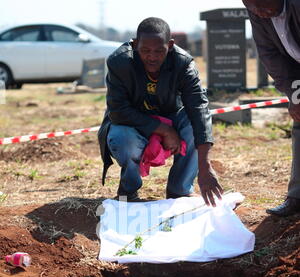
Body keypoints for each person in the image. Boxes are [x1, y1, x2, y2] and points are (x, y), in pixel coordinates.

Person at [98, 17, 223, 206]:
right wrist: (163, 130)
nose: (152, 57)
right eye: (145, 50)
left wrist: (205, 166)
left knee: (192, 120)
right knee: (123, 138)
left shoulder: (183, 64)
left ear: (170, 46)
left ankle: (179, 190)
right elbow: (118, 111)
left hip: (171, 118)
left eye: (159, 51)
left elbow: (199, 108)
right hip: (132, 124)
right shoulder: (119, 62)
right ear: (135, 44)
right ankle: (128, 192)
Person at [243, 0, 300, 217]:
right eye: (251, 6)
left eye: (260, 3)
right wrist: (294, 95)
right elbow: (269, 54)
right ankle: (297, 197)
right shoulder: (258, 11)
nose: (258, 11)